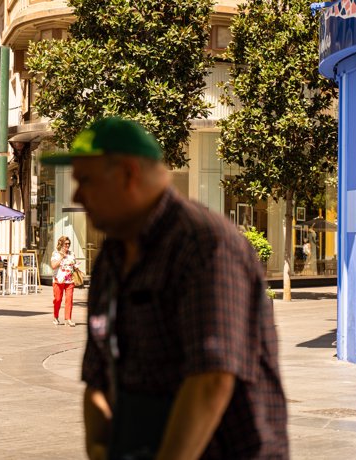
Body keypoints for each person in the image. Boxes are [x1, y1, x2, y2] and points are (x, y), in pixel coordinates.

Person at [40, 117, 288, 459]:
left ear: (128, 175)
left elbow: (211, 380)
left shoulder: (204, 244)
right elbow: (98, 377)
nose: (78, 195)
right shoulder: (113, 256)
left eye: (87, 181)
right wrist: (99, 449)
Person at [50, 236, 78, 327]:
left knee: (69, 299)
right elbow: (53, 266)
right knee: (58, 299)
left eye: (68, 244)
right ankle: (55, 317)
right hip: (58, 280)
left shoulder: (72, 254)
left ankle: (68, 319)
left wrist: (76, 267)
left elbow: (73, 265)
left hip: (70, 280)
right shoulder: (56, 253)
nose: (67, 245)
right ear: (61, 244)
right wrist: (61, 257)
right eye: (65, 243)